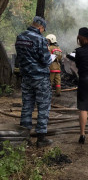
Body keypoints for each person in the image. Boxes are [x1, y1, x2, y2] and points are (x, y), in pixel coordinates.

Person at [15, 16, 53, 147]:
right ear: (40, 27)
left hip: (26, 77)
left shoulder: (20, 37)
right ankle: (41, 138)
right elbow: (46, 60)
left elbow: (20, 57)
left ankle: (24, 138)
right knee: (43, 107)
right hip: (40, 78)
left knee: (27, 106)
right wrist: (50, 54)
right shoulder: (40, 39)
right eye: (43, 29)